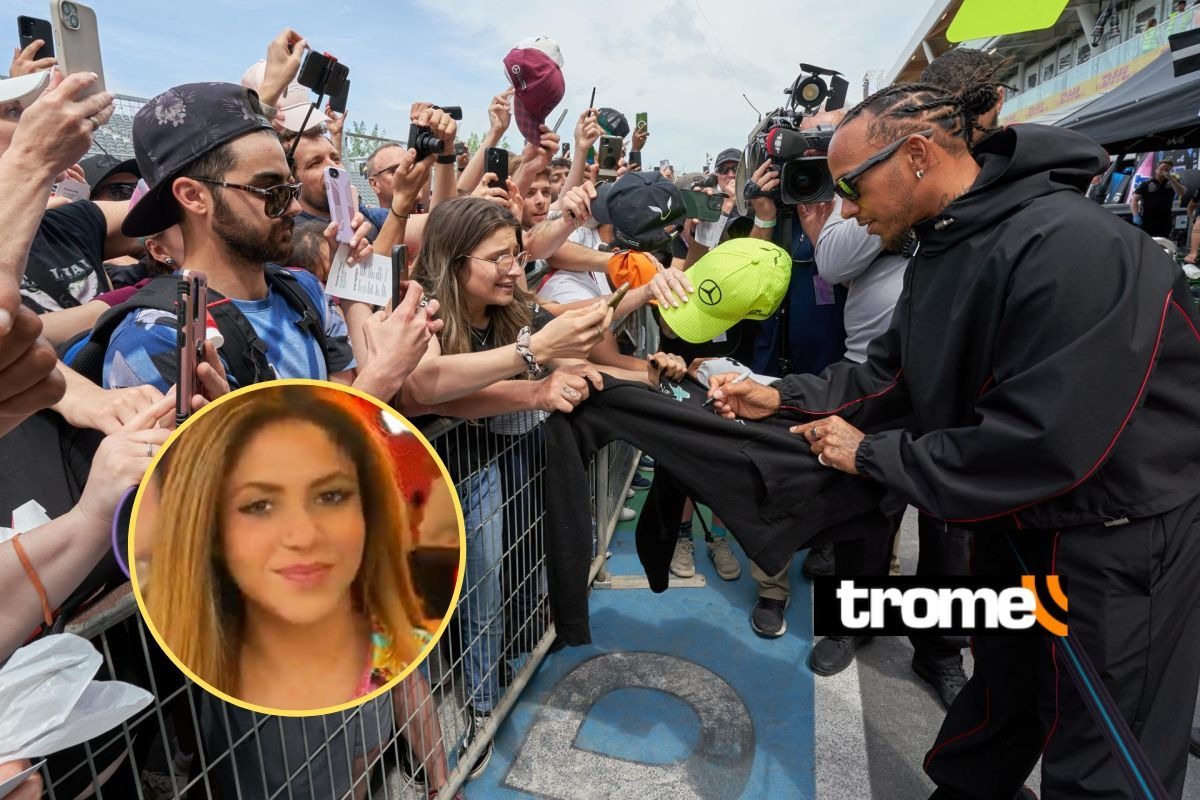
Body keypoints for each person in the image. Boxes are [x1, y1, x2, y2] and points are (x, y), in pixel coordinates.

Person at [709, 77, 1200, 798]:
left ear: (914, 157)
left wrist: (871, 454)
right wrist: (778, 395)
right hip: (1021, 529)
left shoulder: (1076, 246)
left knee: (1105, 755)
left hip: (1114, 543)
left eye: (851, 185)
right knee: (1003, 695)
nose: (844, 207)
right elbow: (889, 377)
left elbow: (1046, 441)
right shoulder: (948, 243)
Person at [103, 82, 435, 404]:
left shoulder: (304, 289)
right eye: (271, 191)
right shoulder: (160, 336)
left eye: (292, 190)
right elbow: (263, 463)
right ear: (194, 197)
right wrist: (385, 373)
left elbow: (341, 397)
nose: (293, 207)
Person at [142, 384, 431, 711]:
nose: (303, 536)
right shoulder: (233, 697)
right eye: (259, 506)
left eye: (331, 496)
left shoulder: (391, 645)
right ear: (209, 532)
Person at [1130, 158, 1186, 238]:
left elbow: (1183, 193)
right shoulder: (1146, 184)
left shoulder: (1172, 183)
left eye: (1167, 170)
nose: (1163, 171)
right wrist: (1135, 215)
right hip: (1147, 221)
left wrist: (1171, 178)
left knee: (1162, 244)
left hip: (1165, 221)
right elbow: (1134, 199)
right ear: (1156, 170)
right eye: (1161, 169)